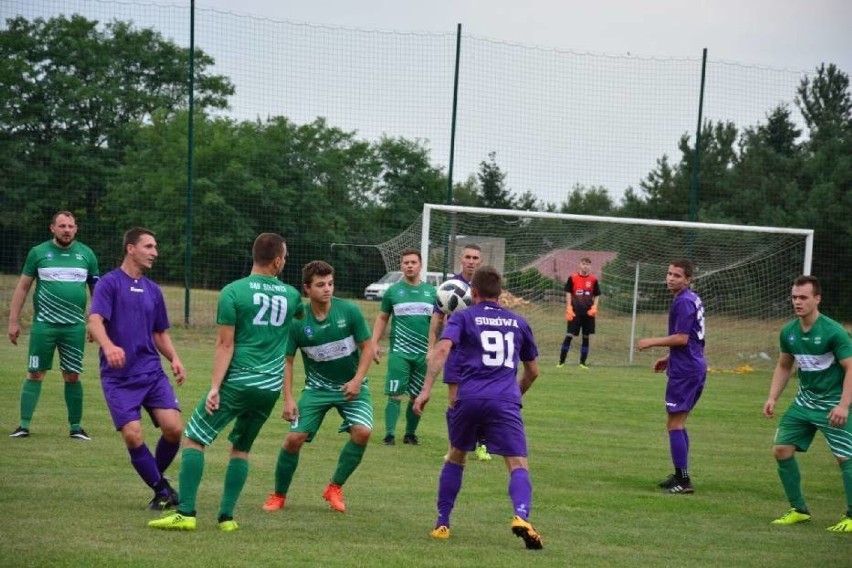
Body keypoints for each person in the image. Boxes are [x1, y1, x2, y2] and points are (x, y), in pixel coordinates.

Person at [149, 234, 304, 532]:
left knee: (195, 438)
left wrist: (215, 387)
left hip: (239, 381)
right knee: (241, 449)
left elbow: (225, 345)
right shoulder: (292, 295)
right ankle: (226, 518)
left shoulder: (233, 291)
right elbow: (299, 316)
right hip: (269, 387)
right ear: (278, 261)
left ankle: (186, 513)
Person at [414, 266, 543, 549]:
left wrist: (425, 391)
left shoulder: (462, 316)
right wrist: (513, 395)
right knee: (517, 463)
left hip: (468, 399)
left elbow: (443, 350)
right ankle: (521, 516)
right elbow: (533, 371)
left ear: (472, 293)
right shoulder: (519, 322)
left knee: (455, 456)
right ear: (501, 294)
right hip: (505, 401)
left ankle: (442, 523)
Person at [263, 260, 374, 514]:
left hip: (352, 388)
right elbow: (287, 361)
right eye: (320, 284)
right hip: (316, 389)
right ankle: (278, 495)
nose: (327, 289)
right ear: (307, 289)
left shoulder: (350, 311)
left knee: (363, 433)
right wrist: (288, 399)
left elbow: (368, 347)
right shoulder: (297, 321)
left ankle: (334, 487)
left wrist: (357, 380)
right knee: (293, 439)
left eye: (330, 283)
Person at [88, 227, 186, 510]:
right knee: (133, 435)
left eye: (155, 247)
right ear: (130, 248)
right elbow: (94, 321)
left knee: (174, 429)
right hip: (118, 377)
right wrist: (108, 346)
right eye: (149, 246)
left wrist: (174, 358)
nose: (154, 252)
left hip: (151, 372)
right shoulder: (109, 283)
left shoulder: (153, 290)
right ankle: (161, 488)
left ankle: (157, 481)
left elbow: (160, 333)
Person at [763, 275, 852, 532]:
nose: (797, 302)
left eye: (803, 297)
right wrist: (772, 397)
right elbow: (783, 366)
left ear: (817, 299)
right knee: (781, 449)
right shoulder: (789, 332)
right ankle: (799, 510)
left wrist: (844, 405)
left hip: (834, 404)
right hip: (804, 402)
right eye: (794, 297)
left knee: (846, 457)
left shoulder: (834, 331)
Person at [8, 211, 99, 440]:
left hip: (74, 327)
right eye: (62, 226)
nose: (66, 230)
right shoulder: (38, 253)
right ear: (52, 228)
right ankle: (23, 426)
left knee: (72, 376)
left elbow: (97, 292)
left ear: (76, 228)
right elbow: (22, 287)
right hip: (44, 327)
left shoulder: (87, 254)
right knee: (35, 373)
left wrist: (96, 322)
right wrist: (13, 320)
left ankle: (76, 428)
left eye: (70, 226)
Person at [636, 259, 706, 495]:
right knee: (677, 422)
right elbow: (693, 339)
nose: (671, 278)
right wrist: (668, 357)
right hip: (690, 365)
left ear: (688, 280)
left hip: (686, 371)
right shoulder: (690, 298)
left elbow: (682, 338)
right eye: (669, 273)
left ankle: (684, 481)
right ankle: (680, 474)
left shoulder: (684, 302)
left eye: (677, 275)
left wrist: (650, 342)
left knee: (674, 424)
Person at [427, 244, 492, 461]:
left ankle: (482, 443)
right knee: (454, 401)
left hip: (479, 351)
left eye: (475, 257)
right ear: (461, 259)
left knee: (481, 398)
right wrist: (431, 347)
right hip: (455, 350)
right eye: (468, 257)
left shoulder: (487, 286)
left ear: (480, 261)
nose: (472, 261)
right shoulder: (450, 286)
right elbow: (436, 317)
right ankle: (454, 448)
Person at [371, 249, 437, 446]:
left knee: (418, 396)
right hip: (399, 352)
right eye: (406, 262)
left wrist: (434, 348)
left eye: (413, 262)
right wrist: (374, 342)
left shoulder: (431, 292)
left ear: (420, 265)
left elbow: (437, 323)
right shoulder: (393, 292)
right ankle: (389, 434)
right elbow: (382, 317)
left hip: (423, 353)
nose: (409, 265)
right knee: (395, 393)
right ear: (401, 266)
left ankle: (410, 434)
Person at [557, 256, 601, 370]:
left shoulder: (593, 280)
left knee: (586, 337)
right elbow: (568, 293)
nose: (585, 265)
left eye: (587, 264)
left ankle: (582, 362)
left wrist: (595, 307)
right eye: (583, 263)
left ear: (590, 266)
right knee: (569, 336)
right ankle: (561, 362)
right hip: (575, 312)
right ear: (579, 265)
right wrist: (569, 307)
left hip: (588, 314)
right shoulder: (572, 278)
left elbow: (597, 295)